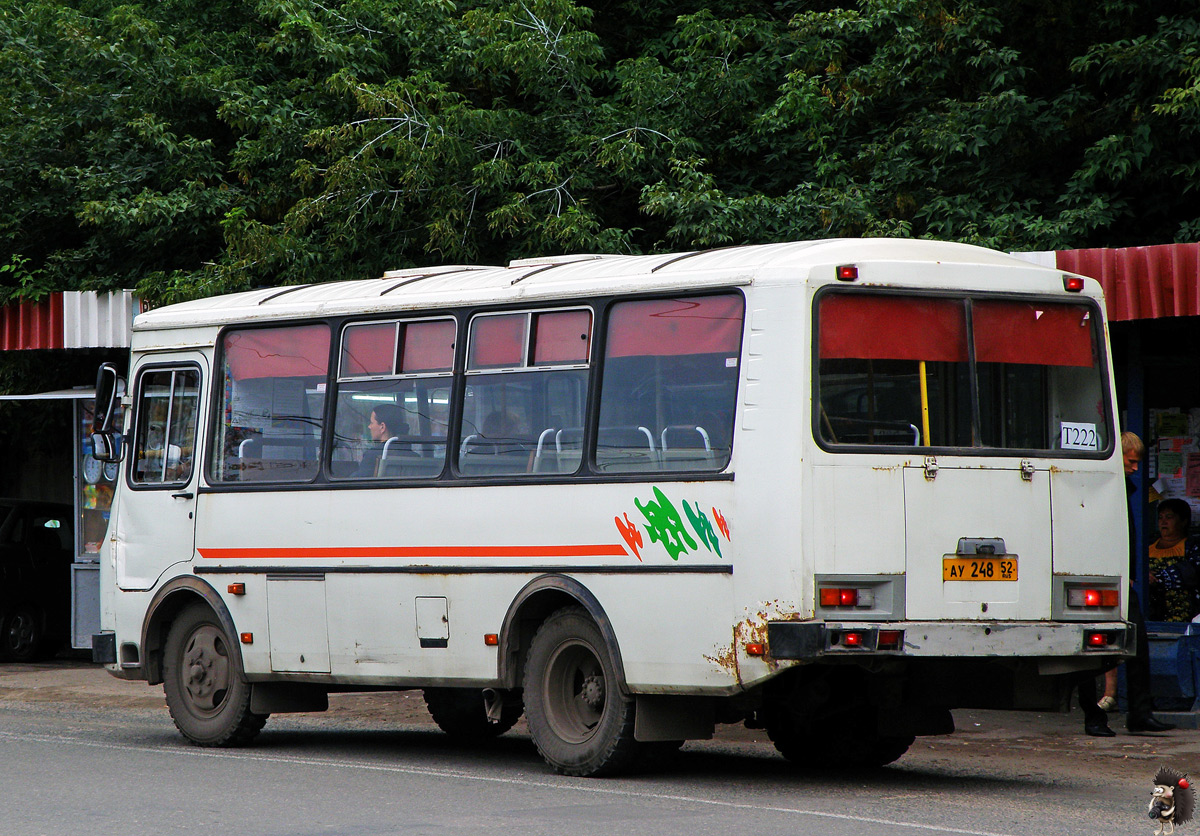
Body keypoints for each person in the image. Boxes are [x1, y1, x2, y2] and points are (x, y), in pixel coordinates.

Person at [1080, 431, 1175, 736]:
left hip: (1117, 574)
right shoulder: (1103, 489)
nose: (1135, 468)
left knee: (1134, 642)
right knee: (1092, 647)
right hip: (1099, 573)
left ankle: (1137, 711)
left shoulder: (1120, 488)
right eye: (1131, 461)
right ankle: (1097, 715)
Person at [1146, 499, 1200, 621]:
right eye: (1160, 517)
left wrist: (1158, 578)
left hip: (1184, 614)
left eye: (1169, 517)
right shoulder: (1147, 545)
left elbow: (1192, 572)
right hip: (1152, 613)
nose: (1163, 522)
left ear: (1183, 521)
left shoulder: (1192, 546)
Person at [356, 404, 407, 477]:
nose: (369, 427)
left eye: (371, 423)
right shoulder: (414, 456)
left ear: (382, 427)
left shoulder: (372, 457)